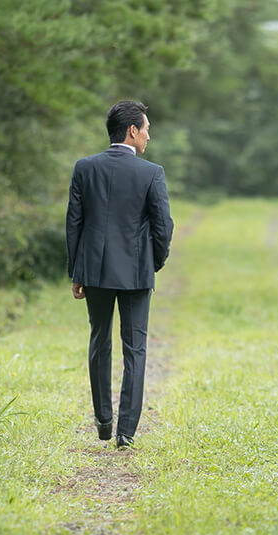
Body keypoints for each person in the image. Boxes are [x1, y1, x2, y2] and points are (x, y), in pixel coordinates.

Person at [66, 100, 174, 449]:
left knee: (99, 341)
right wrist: (152, 262)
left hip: (94, 272)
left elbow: (74, 223)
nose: (148, 135)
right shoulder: (151, 173)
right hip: (136, 273)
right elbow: (163, 226)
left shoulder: (85, 167)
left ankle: (102, 420)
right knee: (135, 348)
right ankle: (126, 432)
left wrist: (76, 271)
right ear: (132, 130)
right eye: (146, 129)